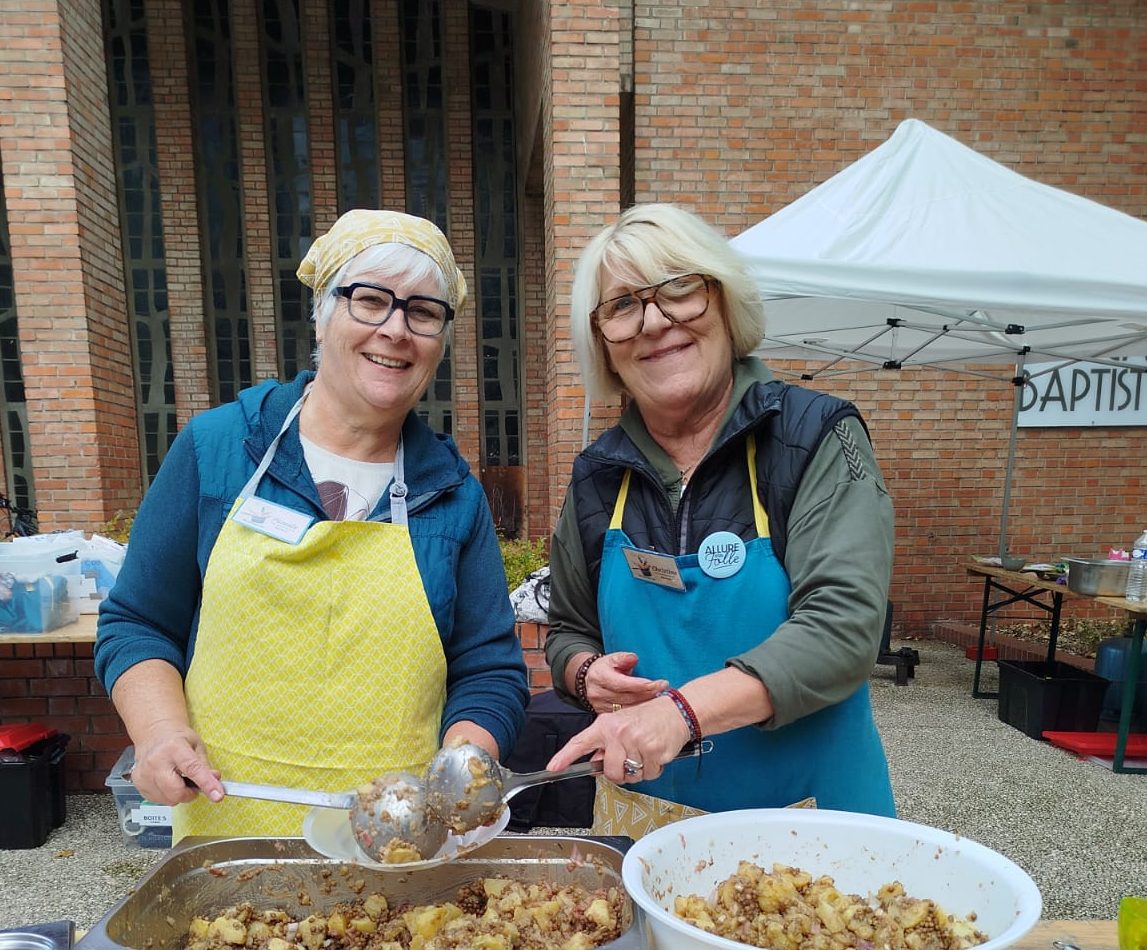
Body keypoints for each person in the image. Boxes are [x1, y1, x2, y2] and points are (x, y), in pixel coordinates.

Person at [95, 209, 529, 842]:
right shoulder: (217, 450)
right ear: (322, 316)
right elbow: (138, 622)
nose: (396, 329)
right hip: (227, 834)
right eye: (370, 301)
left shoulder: (453, 491)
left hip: (397, 842)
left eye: (423, 312)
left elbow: (489, 669)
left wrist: (461, 766)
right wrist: (158, 732)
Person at [543, 203, 895, 837]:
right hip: (642, 828)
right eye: (623, 307)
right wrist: (585, 672)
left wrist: (680, 712)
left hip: (807, 827)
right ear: (604, 345)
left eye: (679, 289)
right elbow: (569, 628)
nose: (654, 322)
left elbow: (843, 628)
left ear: (725, 303)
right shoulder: (597, 476)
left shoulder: (815, 438)